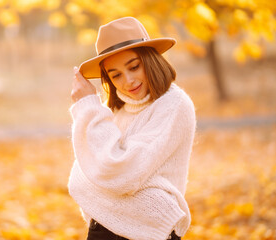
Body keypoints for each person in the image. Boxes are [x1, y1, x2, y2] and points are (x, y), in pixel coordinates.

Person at [68, 17, 196, 240]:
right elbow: (81, 176)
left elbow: (121, 174)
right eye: (116, 75)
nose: (128, 81)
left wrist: (88, 107)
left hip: (150, 232)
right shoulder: (118, 111)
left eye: (134, 67)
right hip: (103, 228)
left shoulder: (174, 104)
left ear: (150, 59)